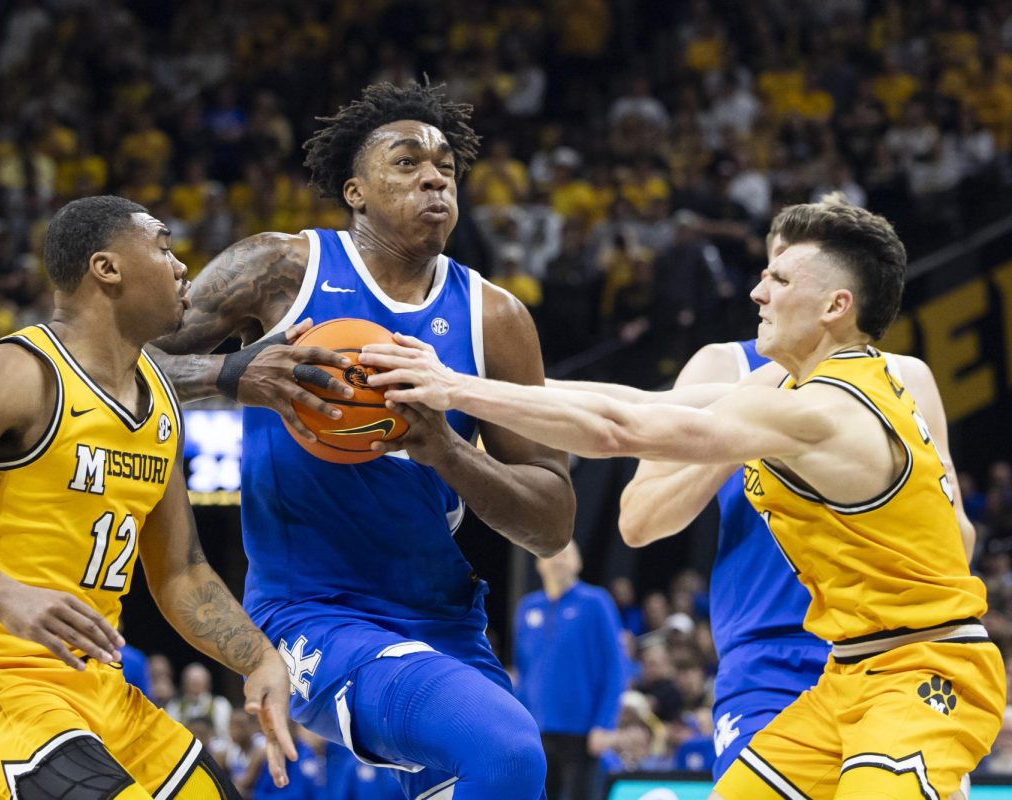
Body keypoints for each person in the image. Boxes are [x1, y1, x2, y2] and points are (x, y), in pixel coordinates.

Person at [363, 199, 1004, 798]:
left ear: (836, 305)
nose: (757, 292)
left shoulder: (826, 409)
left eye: (779, 280)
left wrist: (454, 390)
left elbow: (620, 430)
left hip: (924, 669)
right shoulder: (798, 390)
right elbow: (634, 403)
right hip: (846, 675)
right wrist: (463, 383)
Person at [149, 82, 575, 799]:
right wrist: (234, 374)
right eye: (406, 162)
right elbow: (121, 361)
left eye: (445, 166)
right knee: (508, 752)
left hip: (443, 618)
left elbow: (553, 520)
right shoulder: (282, 269)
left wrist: (445, 448)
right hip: (311, 610)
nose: (435, 176)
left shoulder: (495, 318)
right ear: (356, 191)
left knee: (504, 777)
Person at [0, 195, 301, 800]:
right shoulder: (15, 373)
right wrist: (5, 594)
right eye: (163, 247)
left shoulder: (160, 401)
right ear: (106, 268)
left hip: (101, 691)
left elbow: (181, 574)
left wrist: (259, 659)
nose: (181, 266)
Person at [616, 207, 977, 781]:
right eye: (775, 270)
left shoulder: (901, 377)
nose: (766, 288)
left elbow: (959, 539)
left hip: (888, 649)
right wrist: (743, 431)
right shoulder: (724, 365)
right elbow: (638, 521)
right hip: (770, 654)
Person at [513, 541, 628, 800]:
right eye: (552, 553)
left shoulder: (596, 602)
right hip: (537, 730)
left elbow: (617, 667)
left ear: (578, 562)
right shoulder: (527, 608)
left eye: (566, 553)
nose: (559, 559)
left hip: (583, 732)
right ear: (538, 563)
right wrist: (518, 725)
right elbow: (523, 671)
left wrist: (604, 723)